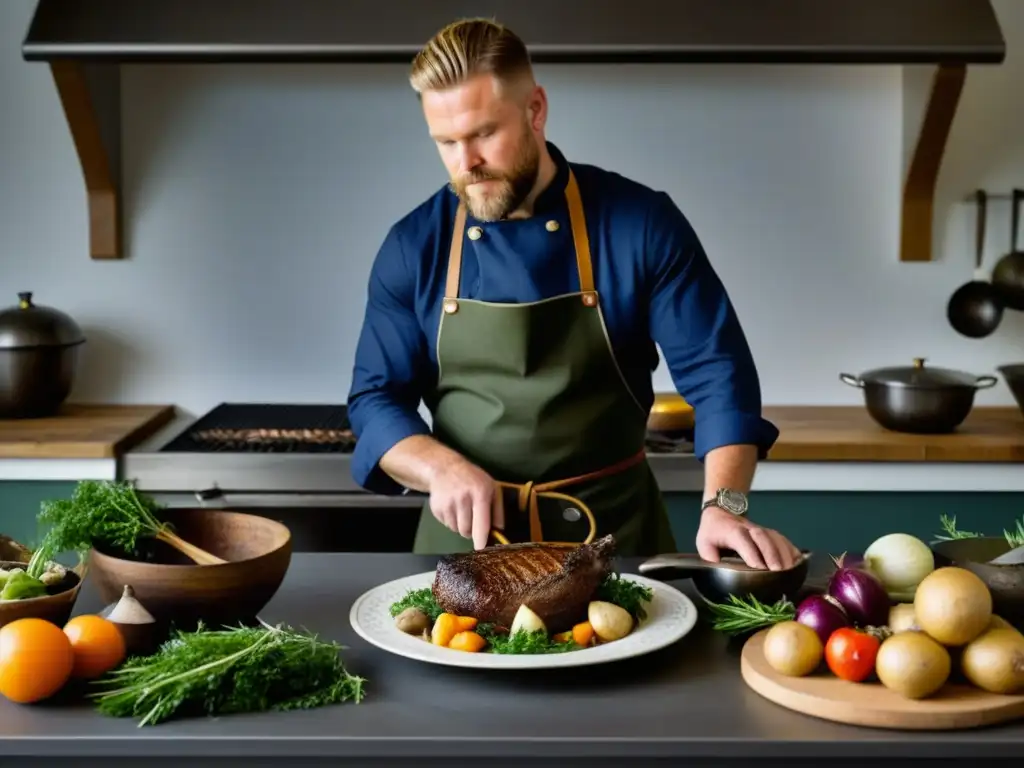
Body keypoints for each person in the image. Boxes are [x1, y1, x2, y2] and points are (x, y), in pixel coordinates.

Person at [347, 17, 801, 570]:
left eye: (484, 134)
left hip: (617, 546)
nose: (465, 164)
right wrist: (439, 467)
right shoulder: (413, 246)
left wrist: (725, 505)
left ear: (536, 110)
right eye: (446, 142)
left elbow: (719, 375)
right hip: (464, 556)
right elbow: (375, 401)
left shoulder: (640, 224)